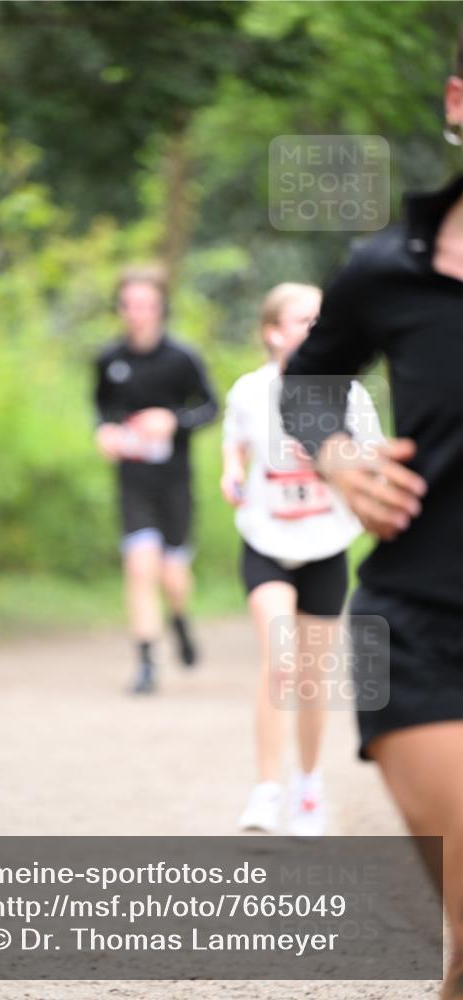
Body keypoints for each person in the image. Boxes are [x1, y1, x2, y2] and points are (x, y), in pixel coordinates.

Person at [279, 31, 463, 998]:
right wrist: (345, 460)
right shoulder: (385, 267)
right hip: (422, 618)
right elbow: (308, 383)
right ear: (456, 102)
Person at [222, 283, 383, 835]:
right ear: (273, 332)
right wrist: (230, 472)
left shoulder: (349, 394)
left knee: (312, 678)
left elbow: (374, 456)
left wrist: (343, 465)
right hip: (267, 543)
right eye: (302, 320)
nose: (313, 329)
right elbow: (234, 440)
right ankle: (266, 790)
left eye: (320, 320)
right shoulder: (249, 390)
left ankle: (308, 787)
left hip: (323, 546)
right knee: (280, 658)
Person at [93, 266, 218, 693]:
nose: (137, 313)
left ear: (161, 307)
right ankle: (146, 662)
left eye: (146, 304)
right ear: (120, 308)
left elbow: (210, 408)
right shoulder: (110, 359)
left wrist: (173, 422)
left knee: (172, 576)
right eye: (129, 304)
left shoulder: (182, 358)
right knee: (139, 567)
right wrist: (105, 432)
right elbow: (102, 409)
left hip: (174, 482)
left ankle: (180, 619)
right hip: (133, 481)